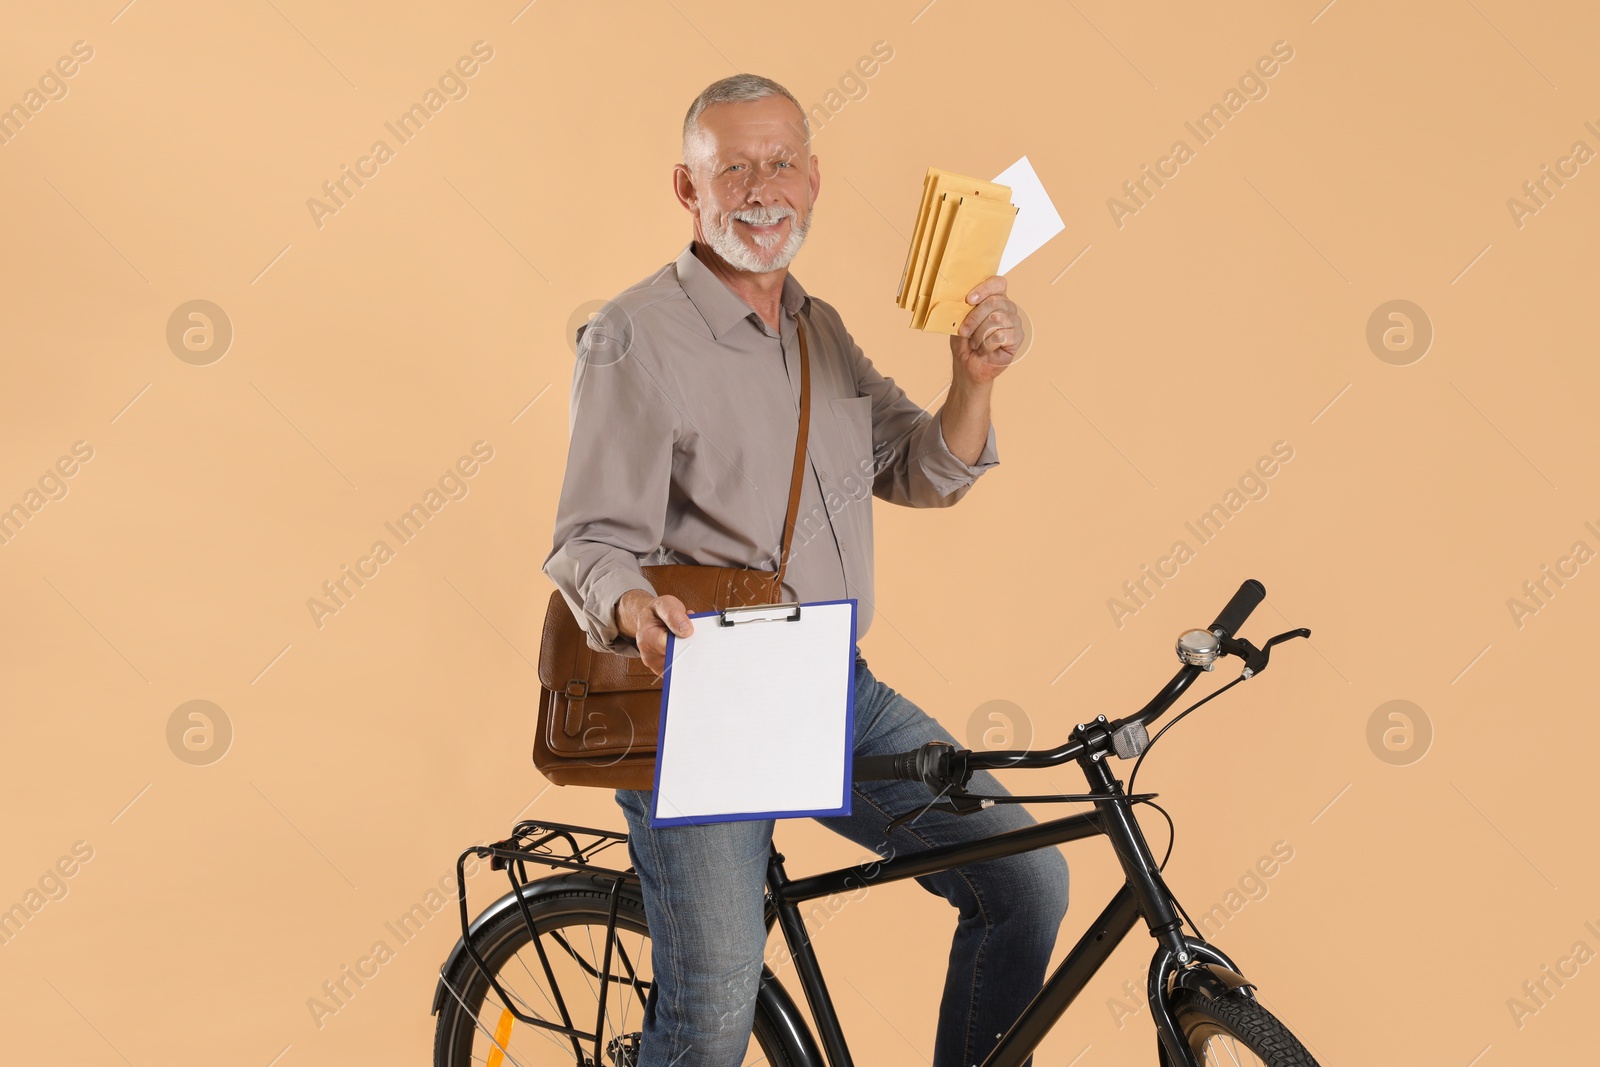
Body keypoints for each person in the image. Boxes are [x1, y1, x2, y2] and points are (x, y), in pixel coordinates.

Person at [543, 72, 1068, 1067]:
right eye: (731, 166)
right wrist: (635, 604)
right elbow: (587, 540)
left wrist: (972, 380)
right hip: (700, 703)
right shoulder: (633, 335)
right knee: (708, 1026)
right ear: (685, 188)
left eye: (780, 162)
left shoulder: (817, 329)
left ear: (814, 181)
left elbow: (920, 467)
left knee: (1024, 880)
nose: (760, 186)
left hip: (832, 687)